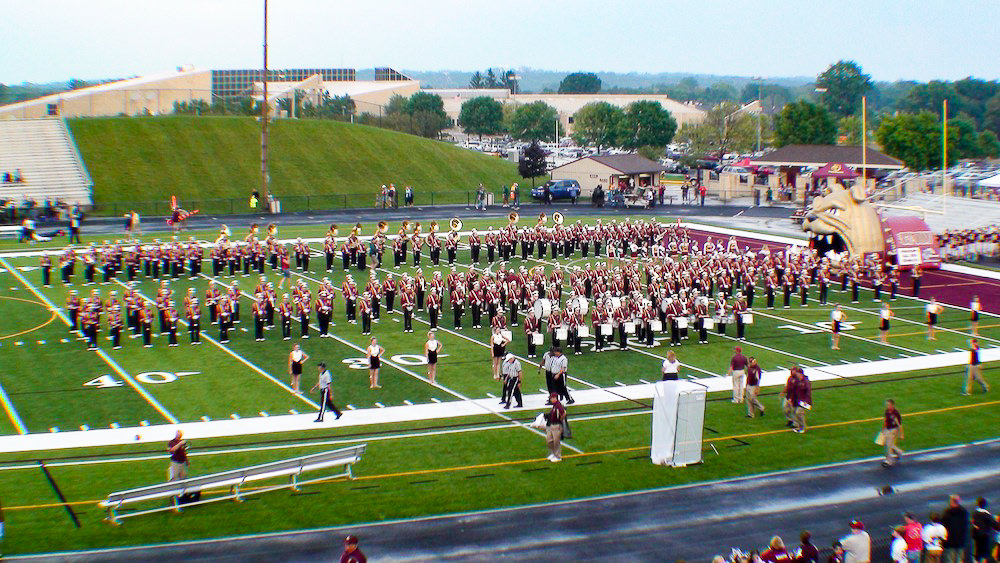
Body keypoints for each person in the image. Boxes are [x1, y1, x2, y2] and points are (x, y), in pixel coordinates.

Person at [941, 495, 969, 563]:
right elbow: (965, 527)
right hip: (960, 541)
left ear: (952, 501)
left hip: (949, 541)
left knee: (949, 560)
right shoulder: (964, 512)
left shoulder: (947, 512)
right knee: (959, 560)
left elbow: (943, 526)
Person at [881, 398, 904, 467]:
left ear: (892, 405)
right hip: (887, 429)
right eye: (887, 405)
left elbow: (899, 425)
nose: (887, 406)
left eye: (888, 405)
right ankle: (898, 452)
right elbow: (885, 420)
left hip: (893, 430)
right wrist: (883, 429)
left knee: (888, 446)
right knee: (887, 444)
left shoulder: (896, 413)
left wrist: (901, 434)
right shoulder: (887, 411)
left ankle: (889, 461)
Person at [971, 497, 995, 563]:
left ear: (978, 504)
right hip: (985, 536)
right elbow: (994, 524)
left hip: (977, 537)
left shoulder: (974, 514)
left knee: (976, 553)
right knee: (985, 554)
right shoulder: (988, 515)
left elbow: (973, 523)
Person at [545, 392, 565, 462]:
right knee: (549, 440)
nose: (551, 399)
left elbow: (563, 413)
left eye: (552, 398)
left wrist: (560, 420)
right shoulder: (554, 405)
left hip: (556, 425)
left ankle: (558, 456)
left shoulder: (558, 406)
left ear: (555, 398)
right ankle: (553, 453)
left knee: (556, 441)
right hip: (552, 424)